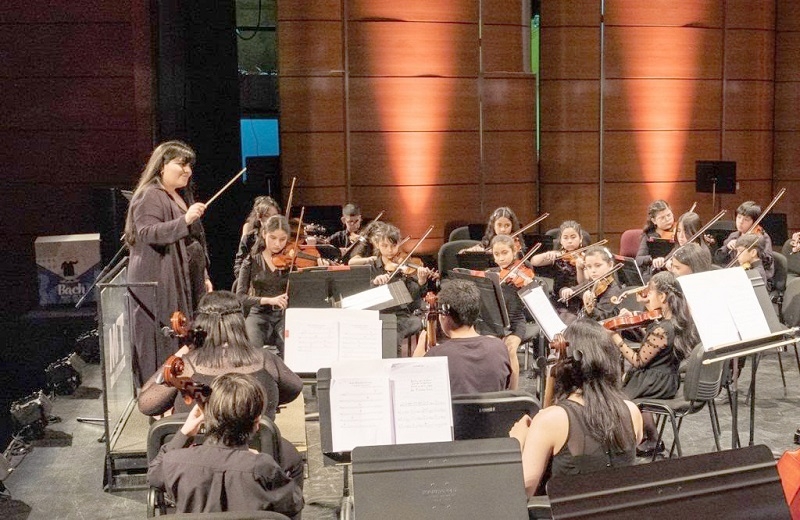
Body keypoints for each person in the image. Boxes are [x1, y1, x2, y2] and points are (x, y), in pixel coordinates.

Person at [509, 319, 643, 497]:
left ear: (566, 364)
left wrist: (517, 444)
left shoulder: (552, 420)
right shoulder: (632, 411)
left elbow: (521, 493)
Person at [147, 373, 304, 517]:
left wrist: (185, 433)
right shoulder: (263, 468)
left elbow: (154, 476)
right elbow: (294, 503)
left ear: (207, 415)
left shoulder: (175, 463)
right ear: (257, 423)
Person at [138, 290, 303, 422]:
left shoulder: (187, 366)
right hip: (257, 456)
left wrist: (180, 354)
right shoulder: (266, 360)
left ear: (201, 324)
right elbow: (294, 389)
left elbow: (147, 404)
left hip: (198, 457)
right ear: (239, 322)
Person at [124, 140, 212, 386]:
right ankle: (159, 396)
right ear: (162, 165)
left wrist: (202, 275)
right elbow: (147, 232)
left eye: (190, 166)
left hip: (178, 277)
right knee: (161, 341)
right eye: (181, 164)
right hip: (157, 281)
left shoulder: (174, 195)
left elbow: (192, 243)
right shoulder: (150, 194)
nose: (188, 170)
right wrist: (185, 220)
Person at [609, 271, 698, 455]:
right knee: (631, 385)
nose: (646, 297)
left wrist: (616, 339)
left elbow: (639, 360)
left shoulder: (662, 328)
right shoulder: (675, 323)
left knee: (616, 393)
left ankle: (624, 443)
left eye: (650, 293)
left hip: (655, 381)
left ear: (663, 296)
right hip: (666, 378)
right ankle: (652, 439)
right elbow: (654, 349)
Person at [413, 279, 512, 395]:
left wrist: (417, 360)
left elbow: (417, 393)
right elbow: (509, 389)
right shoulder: (499, 347)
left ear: (444, 316)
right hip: (492, 413)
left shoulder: (436, 355)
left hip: (456, 414)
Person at [369, 223, 433, 350]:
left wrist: (421, 282)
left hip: (404, 315)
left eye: (394, 245)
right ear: (377, 245)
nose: (390, 250)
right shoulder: (372, 268)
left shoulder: (406, 267)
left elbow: (414, 301)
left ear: (399, 243)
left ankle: (392, 361)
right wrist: (374, 284)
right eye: (384, 246)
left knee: (393, 329)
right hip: (377, 315)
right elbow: (364, 297)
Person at [236, 215, 292, 356]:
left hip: (283, 315)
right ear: (264, 234)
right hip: (258, 314)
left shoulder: (291, 262)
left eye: (282, 239)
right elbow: (240, 297)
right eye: (272, 238)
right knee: (253, 352)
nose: (277, 244)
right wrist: (268, 300)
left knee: (291, 349)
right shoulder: (251, 260)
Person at [712, 201, 774, 281]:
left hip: (757, 279)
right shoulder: (734, 236)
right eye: (739, 217)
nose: (740, 222)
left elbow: (768, 265)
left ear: (754, 222)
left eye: (746, 219)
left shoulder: (762, 238)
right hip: (735, 276)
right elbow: (718, 260)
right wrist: (727, 247)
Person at [233, 196, 281, 292]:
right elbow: (239, 263)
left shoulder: (282, 237)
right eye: (267, 216)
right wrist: (247, 281)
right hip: (255, 286)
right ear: (259, 217)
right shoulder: (250, 238)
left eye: (275, 216)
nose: (271, 220)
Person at [561, 246, 622, 322]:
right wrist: (566, 290)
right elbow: (573, 290)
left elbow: (602, 318)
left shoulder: (613, 290)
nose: (593, 271)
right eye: (589, 267)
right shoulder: (591, 283)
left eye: (598, 265)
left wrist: (591, 310)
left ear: (610, 265)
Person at [635, 199, 675, 280]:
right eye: (662, 218)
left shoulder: (678, 231)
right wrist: (652, 260)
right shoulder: (649, 235)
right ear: (654, 221)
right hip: (655, 274)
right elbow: (638, 259)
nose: (667, 219)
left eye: (669, 215)